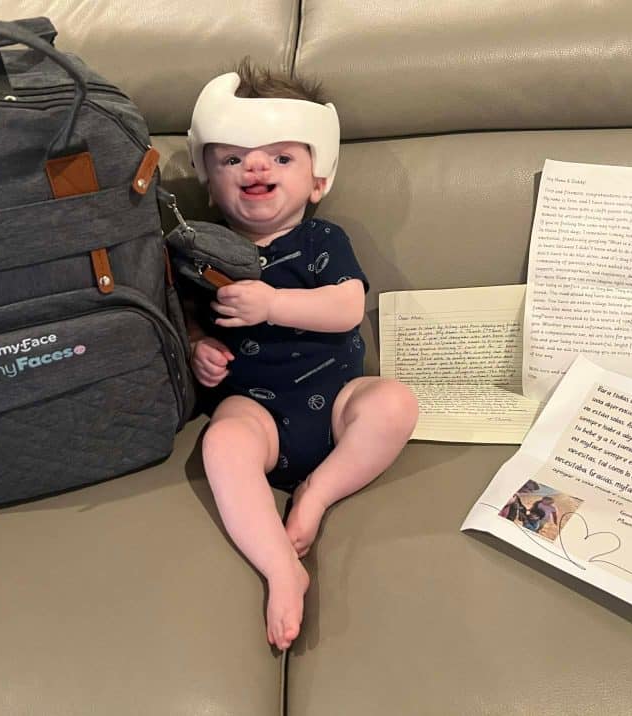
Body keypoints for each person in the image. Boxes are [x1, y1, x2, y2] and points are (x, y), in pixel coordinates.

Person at [183, 60, 419, 651]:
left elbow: (345, 308)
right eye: (233, 158)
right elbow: (183, 319)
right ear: (209, 179)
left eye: (280, 157)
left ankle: (317, 493)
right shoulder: (200, 251)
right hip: (253, 410)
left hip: (337, 402)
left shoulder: (323, 241)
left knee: (395, 404)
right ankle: (281, 569)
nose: (256, 167)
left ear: (318, 179)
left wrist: (271, 304)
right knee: (221, 443)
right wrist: (197, 348)